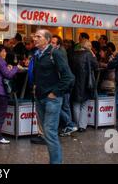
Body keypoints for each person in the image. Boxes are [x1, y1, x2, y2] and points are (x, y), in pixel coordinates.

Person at [30, 29, 75, 164]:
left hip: (52, 99)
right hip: (40, 98)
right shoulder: (37, 54)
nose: (35, 38)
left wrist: (54, 92)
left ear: (47, 40)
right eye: (35, 36)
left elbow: (69, 77)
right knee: (46, 133)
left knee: (50, 132)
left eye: (38, 36)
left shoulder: (54, 53)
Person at [51, 35, 77, 137]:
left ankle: (69, 125)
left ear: (58, 45)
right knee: (64, 106)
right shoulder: (59, 51)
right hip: (66, 82)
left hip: (64, 83)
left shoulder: (58, 53)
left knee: (61, 106)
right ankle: (68, 125)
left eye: (53, 43)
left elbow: (62, 71)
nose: (51, 44)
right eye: (51, 42)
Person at [71, 40, 98, 132]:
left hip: (74, 82)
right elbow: (96, 66)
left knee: (76, 103)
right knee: (84, 104)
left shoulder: (73, 54)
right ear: (89, 47)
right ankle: (82, 126)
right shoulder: (89, 54)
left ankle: (77, 124)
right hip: (86, 82)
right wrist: (93, 55)